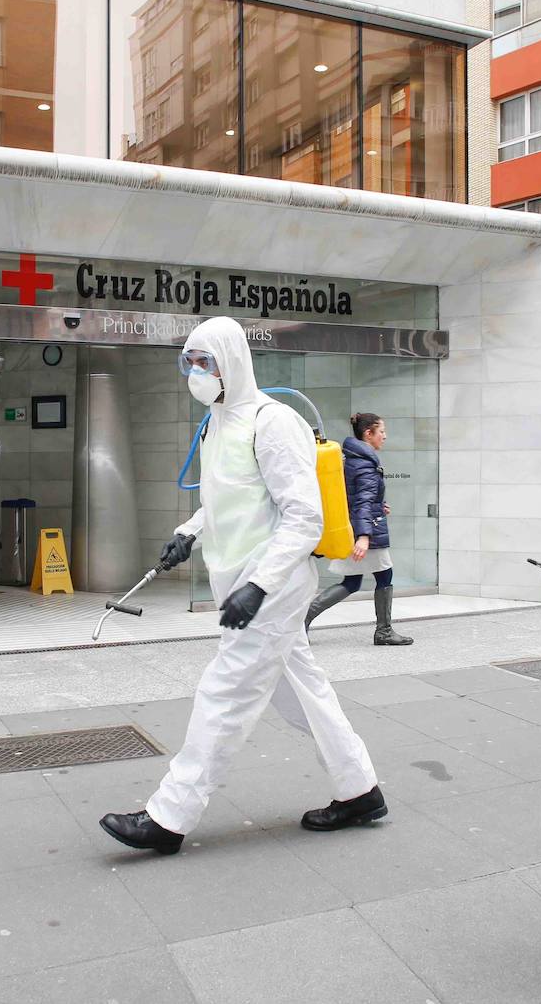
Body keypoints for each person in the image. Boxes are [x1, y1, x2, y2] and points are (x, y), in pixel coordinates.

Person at [99, 317, 384, 855]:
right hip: (242, 584)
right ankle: (360, 790)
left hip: (270, 589)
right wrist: (188, 532)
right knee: (306, 690)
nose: (195, 372)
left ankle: (168, 817)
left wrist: (257, 585)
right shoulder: (215, 422)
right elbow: (228, 497)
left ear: (231, 360)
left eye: (204, 361)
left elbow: (304, 517)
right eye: (189, 362)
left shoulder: (274, 423)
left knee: (223, 693)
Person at [304, 412, 412, 645]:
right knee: (385, 575)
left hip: (358, 526)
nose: (385, 436)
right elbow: (362, 501)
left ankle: (302, 620)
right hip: (367, 532)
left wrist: (378, 505)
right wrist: (364, 536)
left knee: (352, 582)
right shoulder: (365, 464)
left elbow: (357, 498)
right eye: (381, 431)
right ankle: (383, 632)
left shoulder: (353, 459)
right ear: (368, 433)